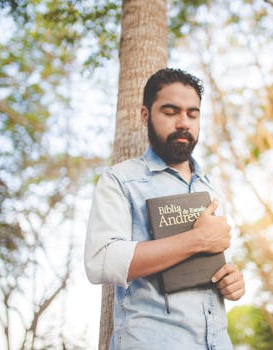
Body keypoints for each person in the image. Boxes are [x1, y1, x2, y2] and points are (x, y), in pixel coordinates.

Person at [84, 68, 245, 349]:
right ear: (146, 115)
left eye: (192, 114)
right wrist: (196, 240)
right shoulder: (121, 181)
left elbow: (216, 264)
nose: (184, 122)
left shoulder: (211, 189)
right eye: (171, 112)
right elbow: (100, 260)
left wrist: (233, 280)